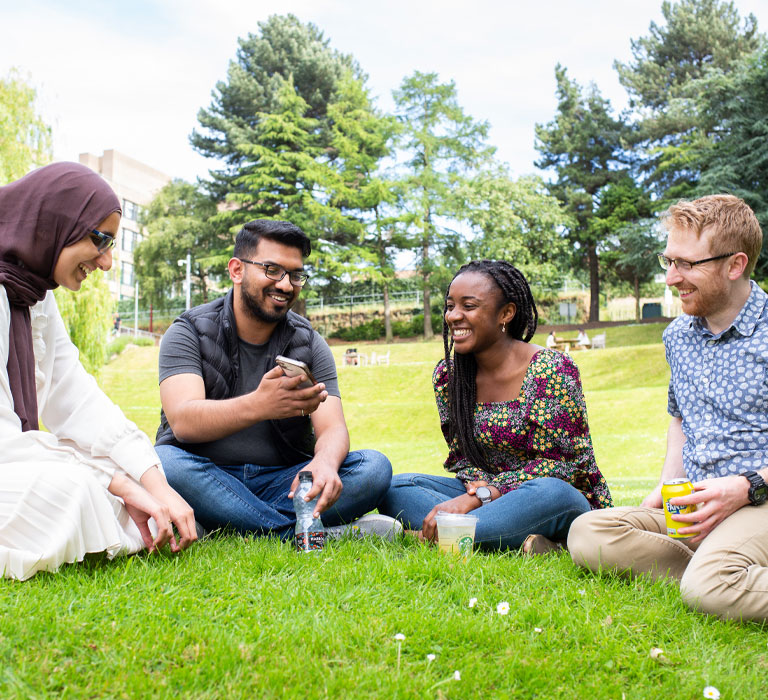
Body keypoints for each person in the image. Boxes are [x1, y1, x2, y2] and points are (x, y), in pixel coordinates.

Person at [568, 194, 768, 622]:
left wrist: (746, 486)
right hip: (694, 505)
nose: (671, 278)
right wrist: (665, 485)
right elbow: (680, 415)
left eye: (687, 264)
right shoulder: (678, 335)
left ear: (734, 265)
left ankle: (714, 575)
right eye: (668, 261)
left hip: (760, 499)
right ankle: (715, 566)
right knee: (589, 532)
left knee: (709, 591)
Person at [0, 162, 196, 580]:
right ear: (54, 224)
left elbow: (77, 401)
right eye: (99, 239)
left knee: (111, 487)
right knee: (77, 489)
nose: (107, 262)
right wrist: (119, 485)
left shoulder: (36, 298)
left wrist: (153, 485)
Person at [154, 220, 398, 540]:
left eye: (295, 275)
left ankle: (225, 525)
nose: (285, 285)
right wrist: (260, 405)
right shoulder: (189, 332)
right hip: (205, 474)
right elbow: (183, 421)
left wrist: (324, 461)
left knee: (373, 467)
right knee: (165, 462)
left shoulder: (310, 343)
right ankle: (304, 532)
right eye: (272, 269)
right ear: (237, 270)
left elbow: (333, 428)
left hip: (283, 482)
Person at [379, 260, 612, 552]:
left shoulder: (549, 370)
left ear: (506, 313)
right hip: (484, 495)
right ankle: (511, 538)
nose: (454, 316)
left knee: (552, 493)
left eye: (469, 306)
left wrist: (484, 496)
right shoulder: (450, 376)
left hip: (550, 495)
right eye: (450, 306)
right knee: (396, 488)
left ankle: (439, 534)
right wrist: (476, 489)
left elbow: (560, 467)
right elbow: (461, 457)